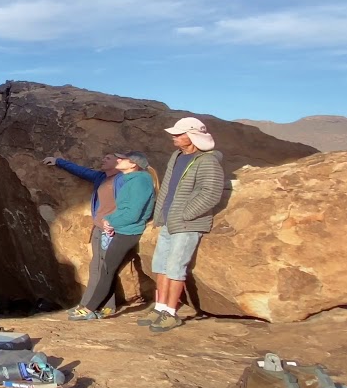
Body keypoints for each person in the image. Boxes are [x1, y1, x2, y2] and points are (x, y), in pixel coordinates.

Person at [140, 117, 225, 333]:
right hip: (169, 222)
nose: (174, 137)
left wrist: (186, 214)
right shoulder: (176, 157)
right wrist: (160, 215)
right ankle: (160, 308)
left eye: (179, 134)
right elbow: (167, 187)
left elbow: (211, 192)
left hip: (186, 225)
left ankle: (170, 313)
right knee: (160, 266)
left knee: (176, 268)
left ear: (193, 136)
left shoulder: (207, 161)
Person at [66, 152, 159, 321]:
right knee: (104, 268)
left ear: (133, 164)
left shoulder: (140, 180)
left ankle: (90, 309)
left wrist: (110, 221)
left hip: (126, 231)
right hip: (117, 228)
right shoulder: (131, 179)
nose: (119, 161)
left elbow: (133, 212)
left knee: (106, 269)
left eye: (122, 159)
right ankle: (95, 307)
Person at [42, 152, 127, 318]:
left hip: (112, 229)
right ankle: (94, 304)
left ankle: (100, 305)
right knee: (96, 266)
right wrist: (58, 161)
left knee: (106, 267)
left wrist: (116, 223)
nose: (103, 159)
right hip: (98, 227)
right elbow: (81, 171)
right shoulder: (100, 177)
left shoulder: (124, 180)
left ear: (119, 163)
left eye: (108, 158)